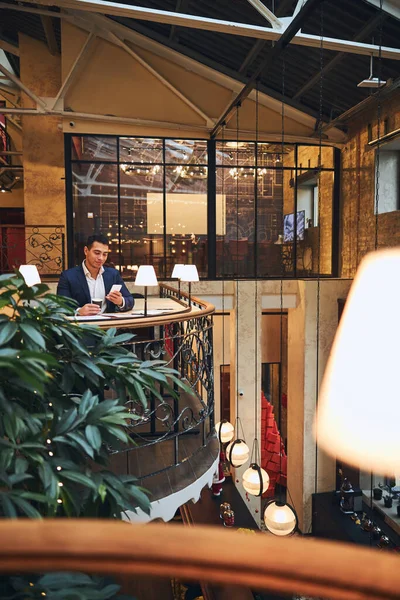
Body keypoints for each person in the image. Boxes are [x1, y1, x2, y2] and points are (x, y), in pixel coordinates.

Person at [57, 233, 134, 316]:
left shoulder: (113, 274)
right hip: (82, 327)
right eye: (97, 253)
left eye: (105, 254)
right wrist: (78, 311)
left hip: (108, 326)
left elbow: (130, 300)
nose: (101, 258)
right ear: (86, 251)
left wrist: (120, 301)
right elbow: (61, 306)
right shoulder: (68, 276)